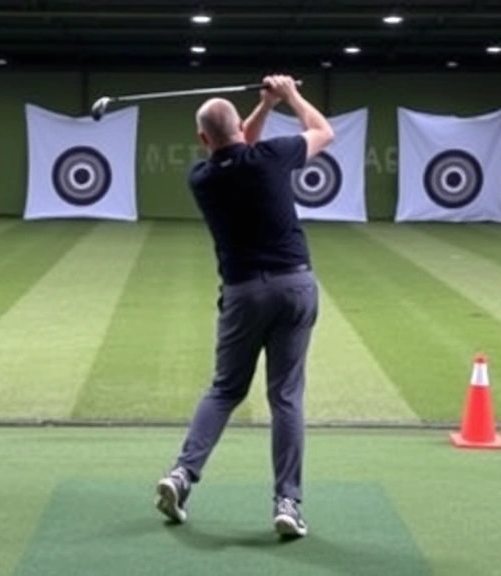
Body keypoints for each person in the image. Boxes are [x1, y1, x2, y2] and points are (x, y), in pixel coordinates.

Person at [154, 74, 335, 538]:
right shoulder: (270, 157)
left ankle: (182, 475)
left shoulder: (201, 176)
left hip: (241, 293)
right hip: (294, 286)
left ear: (201, 139)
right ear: (238, 129)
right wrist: (289, 97)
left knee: (224, 391)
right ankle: (287, 503)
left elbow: (232, 147)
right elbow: (322, 131)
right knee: (286, 397)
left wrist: (264, 105)